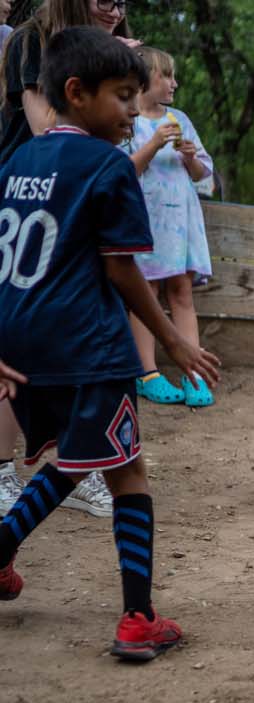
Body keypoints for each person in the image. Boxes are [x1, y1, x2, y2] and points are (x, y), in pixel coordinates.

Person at [0, 27, 220, 659]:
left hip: (25, 338)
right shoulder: (107, 166)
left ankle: (4, 546)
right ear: (76, 92)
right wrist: (175, 341)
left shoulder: (19, 160)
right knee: (128, 471)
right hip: (85, 343)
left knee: (80, 455)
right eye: (122, 96)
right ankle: (137, 618)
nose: (132, 109)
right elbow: (123, 268)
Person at [0, 0, 140, 517]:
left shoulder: (103, 47)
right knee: (23, 347)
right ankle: (2, 472)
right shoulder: (31, 40)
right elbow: (46, 130)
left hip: (75, 199)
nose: (115, 8)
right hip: (36, 198)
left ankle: (76, 465)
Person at [126, 45, 215, 407]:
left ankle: (194, 373)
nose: (175, 83)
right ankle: (147, 373)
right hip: (145, 220)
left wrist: (190, 157)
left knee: (182, 292)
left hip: (179, 221)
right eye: (167, 75)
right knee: (145, 293)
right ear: (146, 79)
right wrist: (153, 144)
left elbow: (201, 172)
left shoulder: (179, 118)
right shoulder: (128, 119)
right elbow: (124, 171)